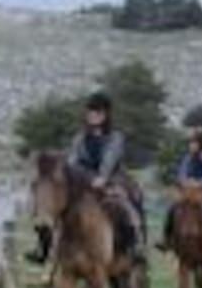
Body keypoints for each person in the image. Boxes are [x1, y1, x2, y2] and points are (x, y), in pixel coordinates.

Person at [25, 92, 145, 264]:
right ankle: (43, 248)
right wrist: (74, 177)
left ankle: (135, 245)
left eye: (97, 113)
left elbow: (109, 159)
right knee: (56, 207)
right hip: (83, 180)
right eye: (90, 113)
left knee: (126, 204)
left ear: (105, 115)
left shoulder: (115, 137)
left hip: (112, 178)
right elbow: (73, 160)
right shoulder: (80, 138)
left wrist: (102, 178)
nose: (93, 116)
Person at [156, 130, 202, 252]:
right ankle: (167, 239)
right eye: (191, 143)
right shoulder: (188, 158)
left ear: (201, 144)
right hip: (189, 191)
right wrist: (185, 181)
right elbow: (181, 174)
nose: (191, 145)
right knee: (172, 208)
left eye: (193, 143)